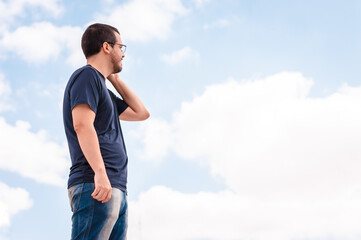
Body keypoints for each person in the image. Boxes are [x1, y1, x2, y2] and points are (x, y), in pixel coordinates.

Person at [62, 23, 149, 240]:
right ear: (107, 47)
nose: (123, 54)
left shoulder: (103, 89)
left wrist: (114, 78)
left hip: (114, 187)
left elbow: (141, 112)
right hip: (96, 183)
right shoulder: (87, 77)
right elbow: (82, 125)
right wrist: (100, 173)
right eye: (121, 47)